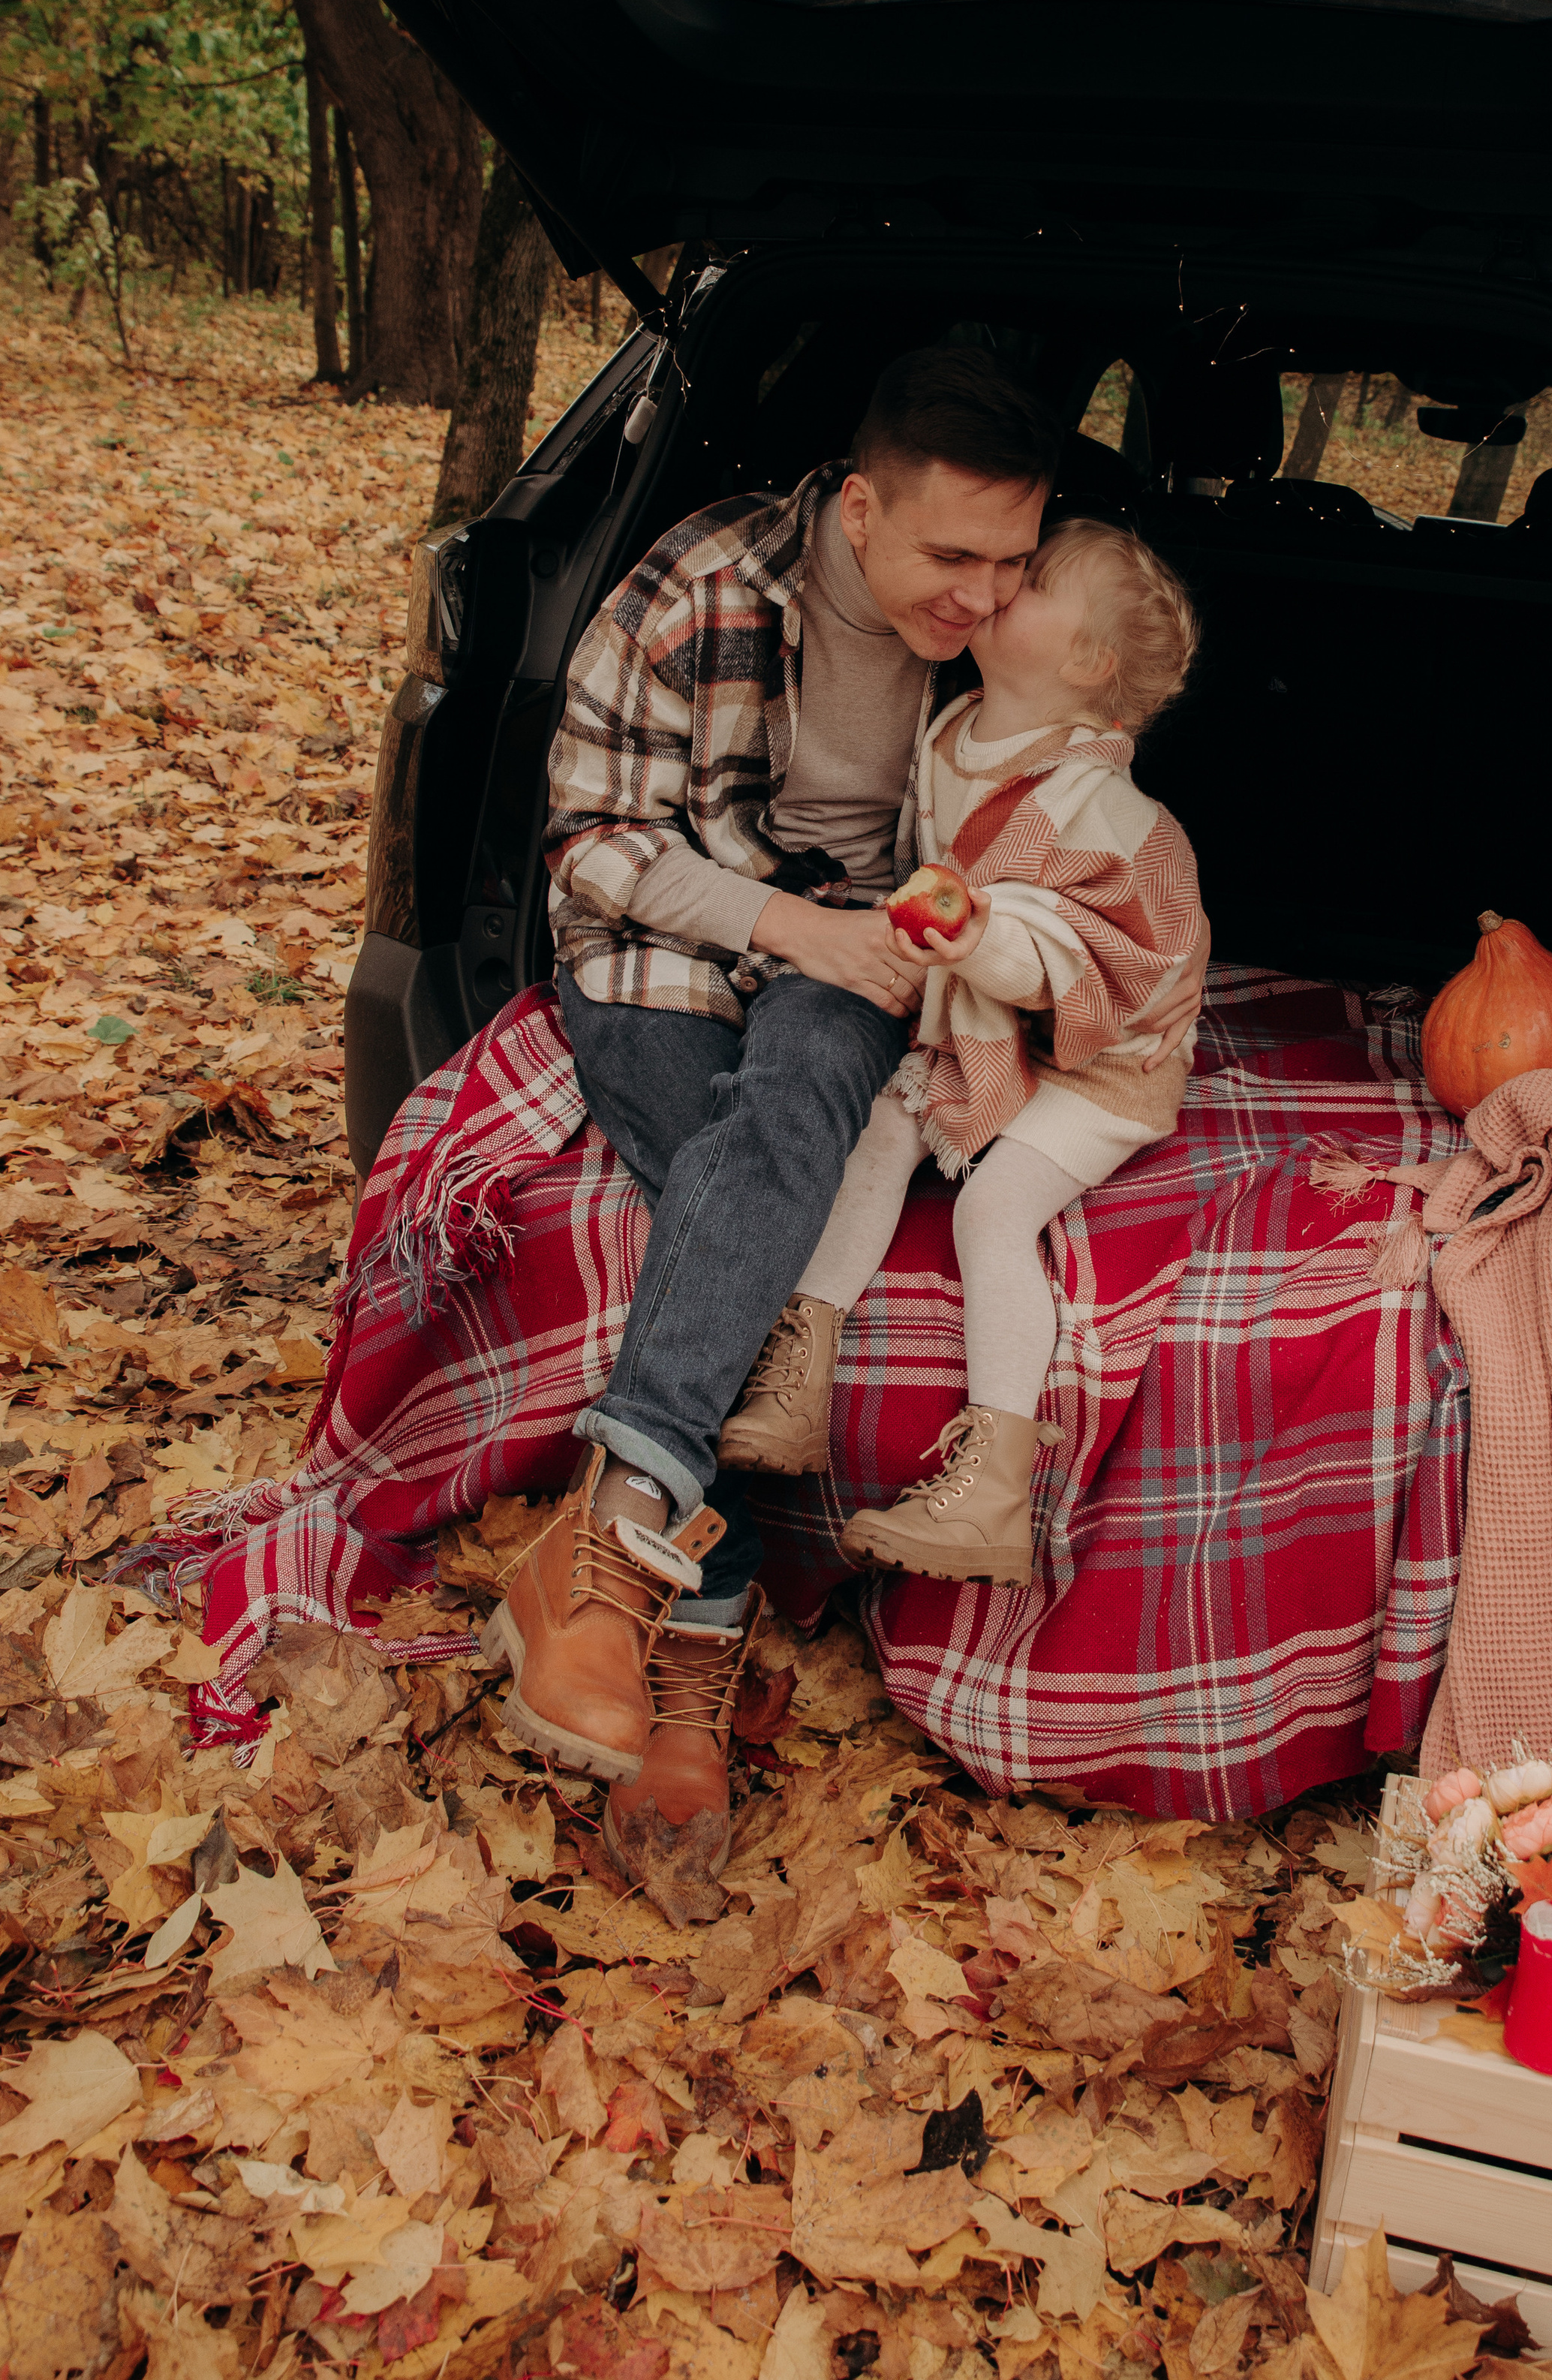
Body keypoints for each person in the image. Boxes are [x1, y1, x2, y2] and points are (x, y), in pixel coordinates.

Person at [483, 347, 1207, 1917]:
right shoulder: (692, 592)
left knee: (795, 1119)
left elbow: (1045, 848)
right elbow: (591, 843)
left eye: (1014, 564)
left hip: (864, 951)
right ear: (861, 510)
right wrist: (785, 927)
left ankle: (614, 1537)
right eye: (953, 559)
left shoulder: (1000, 662)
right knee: (727, 1185)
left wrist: (903, 945)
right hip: (674, 948)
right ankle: (690, 1627)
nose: (983, 599)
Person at [720, 519, 1205, 1588]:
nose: (999, 586)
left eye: (1030, 580)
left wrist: (976, 938)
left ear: (1088, 661)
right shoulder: (954, 729)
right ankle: (800, 1366)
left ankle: (993, 1487)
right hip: (982, 1007)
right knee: (879, 1128)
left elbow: (1066, 955)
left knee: (992, 1209)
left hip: (1101, 1054)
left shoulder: (1097, 805)